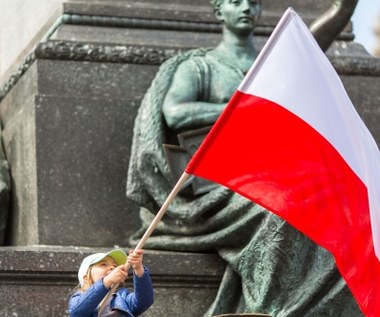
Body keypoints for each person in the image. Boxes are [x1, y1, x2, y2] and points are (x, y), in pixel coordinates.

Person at [127, 0, 362, 316]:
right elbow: (176, 112)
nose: (246, 8)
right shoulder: (200, 65)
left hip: (272, 171)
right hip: (218, 182)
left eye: (253, 3)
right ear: (218, 11)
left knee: (337, 203)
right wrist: (247, 108)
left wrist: (342, 10)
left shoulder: (272, 66)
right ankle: (277, 309)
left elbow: (314, 42)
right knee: (283, 204)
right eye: (235, 2)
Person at [68, 249, 154, 317]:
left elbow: (145, 301)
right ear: (86, 278)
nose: (112, 267)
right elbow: (77, 312)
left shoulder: (122, 297)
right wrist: (106, 281)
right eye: (103, 264)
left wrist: (138, 269)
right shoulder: (79, 297)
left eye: (115, 266)